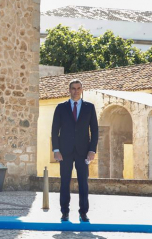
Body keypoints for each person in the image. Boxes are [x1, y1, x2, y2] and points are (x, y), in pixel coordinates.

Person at [51, 79, 99, 222]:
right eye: (73, 88)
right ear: (69, 90)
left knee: (83, 182)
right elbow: (54, 130)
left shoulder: (89, 108)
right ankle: (64, 211)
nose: (76, 91)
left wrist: (92, 150)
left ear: (82, 90)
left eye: (78, 88)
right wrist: (56, 149)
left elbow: (95, 131)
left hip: (83, 151)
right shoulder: (61, 107)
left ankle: (83, 212)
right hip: (64, 152)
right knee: (65, 182)